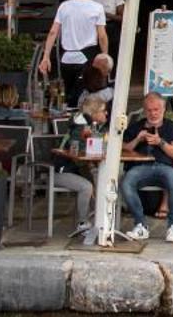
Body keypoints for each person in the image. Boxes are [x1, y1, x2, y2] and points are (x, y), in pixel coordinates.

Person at [118, 92, 173, 243]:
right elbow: (123, 148)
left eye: (156, 109)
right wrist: (137, 139)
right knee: (126, 182)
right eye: (149, 110)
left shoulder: (172, 127)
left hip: (164, 166)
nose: (153, 113)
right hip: (140, 167)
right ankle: (140, 224)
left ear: (163, 109)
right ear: (144, 110)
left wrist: (160, 142)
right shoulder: (136, 126)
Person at [51, 94, 110, 242]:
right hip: (61, 170)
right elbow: (80, 150)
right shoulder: (80, 125)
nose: (106, 113)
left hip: (76, 168)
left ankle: (99, 220)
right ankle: (83, 223)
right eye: (103, 110)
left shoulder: (89, 124)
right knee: (87, 186)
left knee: (100, 180)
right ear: (94, 113)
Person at [39, 0, 109, 109]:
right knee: (85, 94)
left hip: (66, 57)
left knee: (66, 94)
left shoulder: (64, 6)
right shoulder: (97, 8)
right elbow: (102, 36)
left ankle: (67, 121)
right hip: (87, 58)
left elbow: (53, 32)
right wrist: (105, 55)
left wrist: (46, 56)